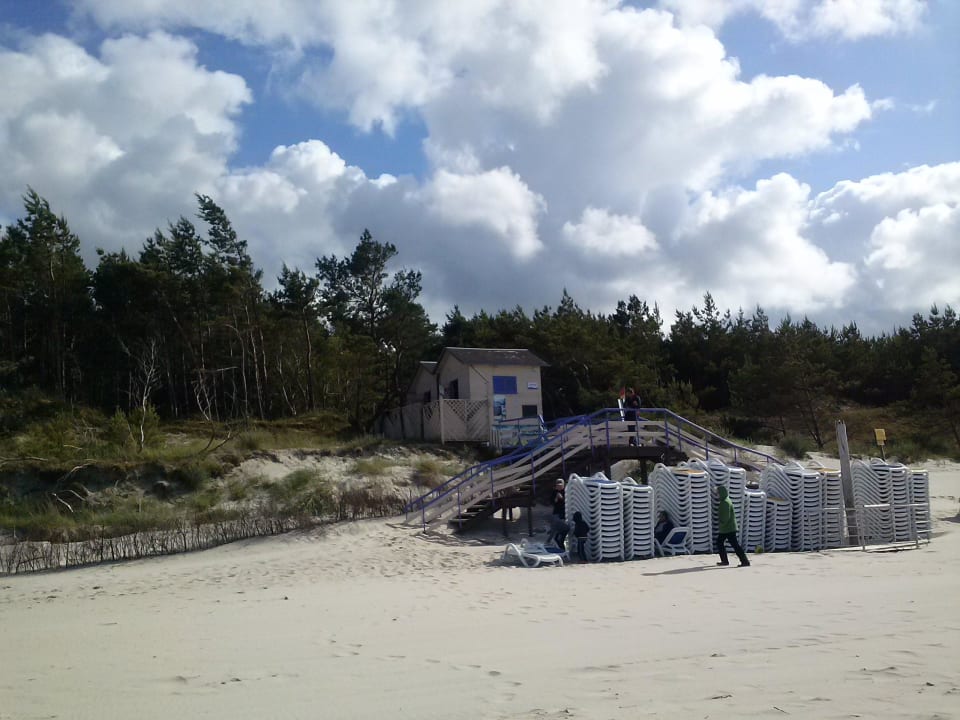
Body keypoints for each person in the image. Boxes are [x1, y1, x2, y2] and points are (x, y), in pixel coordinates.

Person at [715, 485, 750, 567]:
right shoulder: (726, 500)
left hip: (728, 528)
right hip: (727, 528)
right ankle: (726, 561)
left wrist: (721, 522)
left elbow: (725, 517)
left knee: (733, 544)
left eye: (717, 493)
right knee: (723, 543)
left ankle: (744, 561)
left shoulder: (725, 502)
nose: (717, 495)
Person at [549, 479, 569, 549]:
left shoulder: (566, 491)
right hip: (556, 512)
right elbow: (551, 502)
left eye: (560, 486)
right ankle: (552, 542)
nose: (559, 487)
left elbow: (568, 502)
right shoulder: (555, 492)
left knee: (562, 530)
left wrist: (562, 498)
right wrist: (556, 499)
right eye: (558, 486)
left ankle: (562, 546)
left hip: (564, 512)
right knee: (554, 528)